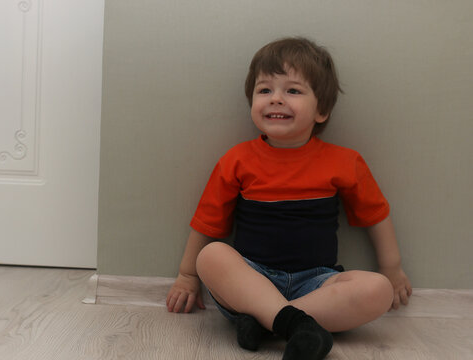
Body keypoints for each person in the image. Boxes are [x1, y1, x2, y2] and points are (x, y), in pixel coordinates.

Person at [166, 37, 412, 360]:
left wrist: (391, 269)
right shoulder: (237, 160)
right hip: (250, 280)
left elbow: (375, 214)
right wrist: (187, 277)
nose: (276, 99)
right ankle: (289, 321)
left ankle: (268, 322)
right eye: (264, 90)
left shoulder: (344, 161)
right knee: (211, 256)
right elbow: (207, 221)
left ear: (321, 110)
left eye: (292, 91)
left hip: (318, 284)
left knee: (377, 290)